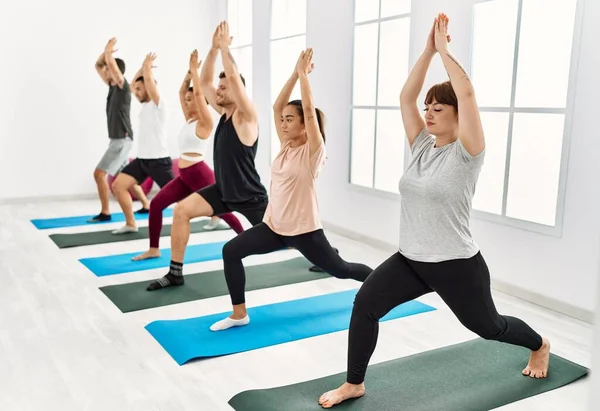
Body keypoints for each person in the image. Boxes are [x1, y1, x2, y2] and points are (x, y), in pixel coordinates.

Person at [318, 14, 550, 408]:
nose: (428, 113)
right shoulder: (423, 147)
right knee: (365, 305)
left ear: (458, 116)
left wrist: (445, 52)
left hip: (456, 263)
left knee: (489, 328)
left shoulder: (468, 154)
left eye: (439, 108)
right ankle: (354, 383)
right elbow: (406, 98)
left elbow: (470, 96)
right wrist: (426, 52)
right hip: (411, 258)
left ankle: (539, 344)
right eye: (430, 107)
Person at [208, 48, 374, 331]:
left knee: (343, 270)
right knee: (231, 251)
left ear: (304, 125)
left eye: (290, 120)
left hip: (305, 232)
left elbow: (309, 111)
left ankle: (385, 289)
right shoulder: (285, 146)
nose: (283, 124)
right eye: (282, 120)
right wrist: (293, 74)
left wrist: (303, 77)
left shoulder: (313, 151)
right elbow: (276, 106)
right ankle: (239, 314)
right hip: (274, 228)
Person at [145, 21, 269, 291]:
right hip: (224, 191)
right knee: (181, 211)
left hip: (251, 196)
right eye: (220, 88)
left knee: (289, 235)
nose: (219, 91)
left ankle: (324, 254)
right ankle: (175, 273)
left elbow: (234, 79)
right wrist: (213, 50)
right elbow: (204, 82)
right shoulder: (223, 113)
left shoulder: (246, 117)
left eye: (224, 88)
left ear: (237, 92)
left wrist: (225, 48)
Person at [133, 50, 244, 263]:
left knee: (225, 212)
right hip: (185, 175)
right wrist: (188, 74)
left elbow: (200, 96)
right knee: (156, 204)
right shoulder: (190, 120)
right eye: (186, 99)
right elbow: (181, 92)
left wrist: (196, 72)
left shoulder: (206, 122)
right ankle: (154, 248)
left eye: (190, 99)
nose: (187, 101)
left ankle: (248, 238)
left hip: (198, 173)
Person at [110, 52, 175, 235]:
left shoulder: (159, 105)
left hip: (159, 162)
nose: (135, 93)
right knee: (118, 186)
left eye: (140, 89)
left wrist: (146, 68)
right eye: (136, 89)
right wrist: (141, 67)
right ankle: (131, 223)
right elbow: (132, 84)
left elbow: (148, 83)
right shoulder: (145, 106)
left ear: (150, 86)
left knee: (183, 197)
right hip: (143, 161)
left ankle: (216, 215)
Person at [91, 38, 148, 223]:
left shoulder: (123, 87)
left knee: (99, 174)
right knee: (126, 176)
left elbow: (111, 68)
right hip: (119, 139)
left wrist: (109, 55)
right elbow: (98, 65)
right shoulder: (112, 87)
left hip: (121, 140)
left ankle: (105, 212)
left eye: (110, 69)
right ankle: (146, 205)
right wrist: (105, 54)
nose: (106, 72)